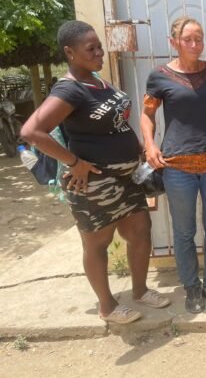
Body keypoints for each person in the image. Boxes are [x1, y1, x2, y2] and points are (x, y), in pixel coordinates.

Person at [20, 20, 170, 324]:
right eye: (91, 49)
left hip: (128, 178)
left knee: (140, 232)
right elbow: (31, 131)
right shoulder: (70, 89)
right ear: (70, 52)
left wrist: (139, 149)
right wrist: (74, 162)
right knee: (97, 243)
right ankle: (107, 306)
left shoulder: (97, 81)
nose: (99, 52)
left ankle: (140, 291)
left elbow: (116, 123)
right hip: (95, 184)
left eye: (99, 46)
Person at [141, 16, 206, 314]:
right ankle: (191, 286)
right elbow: (147, 114)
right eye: (187, 39)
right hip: (178, 167)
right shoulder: (159, 76)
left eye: (198, 38)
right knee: (184, 231)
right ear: (173, 42)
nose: (194, 44)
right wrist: (150, 145)